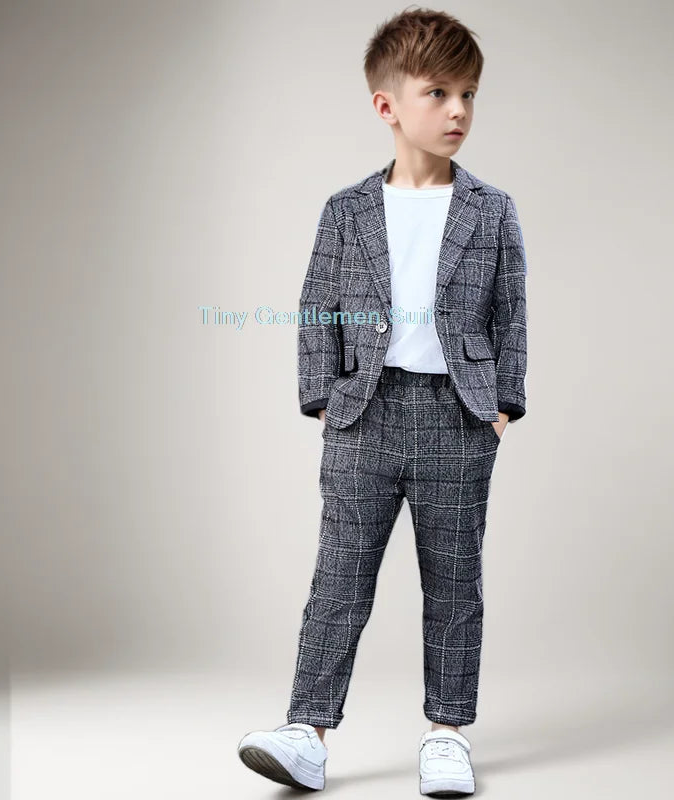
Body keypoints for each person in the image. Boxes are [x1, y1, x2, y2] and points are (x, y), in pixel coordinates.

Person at [237, 7, 527, 796]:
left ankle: (448, 735)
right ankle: (306, 732)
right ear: (387, 105)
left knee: (455, 582)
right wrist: (321, 401)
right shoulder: (348, 210)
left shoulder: (492, 210)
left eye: (469, 94)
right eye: (439, 92)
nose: (459, 110)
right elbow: (317, 307)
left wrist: (503, 405)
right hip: (363, 413)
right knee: (339, 576)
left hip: (459, 417)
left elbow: (511, 313)